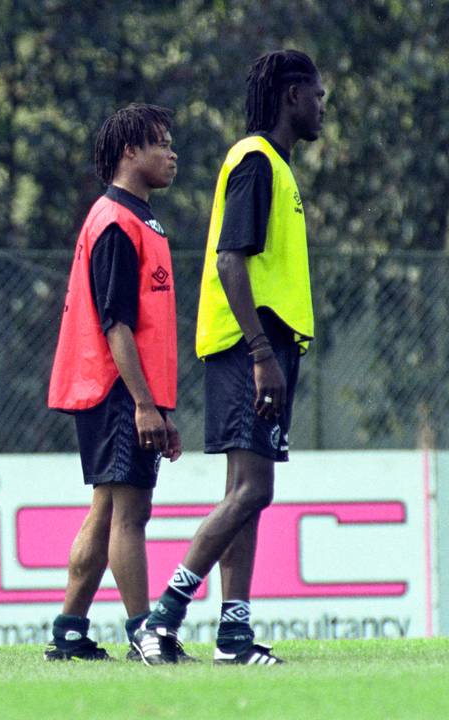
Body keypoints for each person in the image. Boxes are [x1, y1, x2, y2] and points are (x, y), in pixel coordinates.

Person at [134, 49, 325, 666]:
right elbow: (228, 260)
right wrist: (262, 353)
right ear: (293, 95)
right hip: (251, 348)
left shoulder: (277, 167)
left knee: (249, 491)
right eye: (317, 95)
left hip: (266, 348)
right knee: (250, 489)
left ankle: (234, 636)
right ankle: (162, 619)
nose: (323, 107)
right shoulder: (254, 161)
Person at [45, 104, 183, 662]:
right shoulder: (115, 222)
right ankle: (143, 634)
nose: (172, 154)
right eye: (161, 144)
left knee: (107, 512)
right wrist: (145, 406)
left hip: (129, 392)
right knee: (131, 513)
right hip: (115, 390)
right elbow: (115, 322)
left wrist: (160, 407)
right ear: (130, 152)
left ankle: (69, 633)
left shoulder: (139, 218)